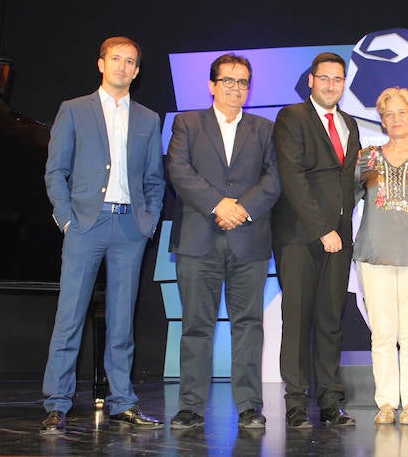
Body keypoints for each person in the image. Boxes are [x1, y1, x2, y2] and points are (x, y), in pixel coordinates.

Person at [41, 36, 165, 434]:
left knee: (122, 321)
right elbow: (55, 171)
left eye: (130, 62)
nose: (123, 67)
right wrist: (66, 219)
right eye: (116, 59)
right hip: (86, 226)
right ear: (101, 64)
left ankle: (122, 402)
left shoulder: (148, 119)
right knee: (70, 316)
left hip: (129, 227)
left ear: (137, 71)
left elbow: (154, 180)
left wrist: (148, 223)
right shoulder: (74, 110)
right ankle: (57, 404)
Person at [166, 54, 281, 430]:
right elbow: (179, 171)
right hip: (198, 239)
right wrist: (219, 204)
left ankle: (249, 406)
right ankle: (190, 406)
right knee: (196, 326)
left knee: (248, 324)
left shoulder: (264, 128)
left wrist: (242, 209)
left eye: (243, 82)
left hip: (249, 239)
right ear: (212, 85)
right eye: (228, 81)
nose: (236, 88)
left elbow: (275, 178)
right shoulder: (187, 123)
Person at [272, 52, 362, 428]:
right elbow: (292, 176)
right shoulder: (292, 117)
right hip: (300, 236)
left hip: (339, 239)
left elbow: (349, 183)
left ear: (345, 83)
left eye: (337, 79)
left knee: (330, 318)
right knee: (297, 318)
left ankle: (329, 400)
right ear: (311, 80)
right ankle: (295, 402)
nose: (330, 85)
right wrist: (321, 229)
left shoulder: (349, 123)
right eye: (323, 78)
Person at [354, 88, 408, 425]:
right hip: (375, 256)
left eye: (401, 112)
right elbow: (347, 198)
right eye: (388, 114)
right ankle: (387, 403)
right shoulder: (366, 158)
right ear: (382, 119)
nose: (395, 119)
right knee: (383, 334)